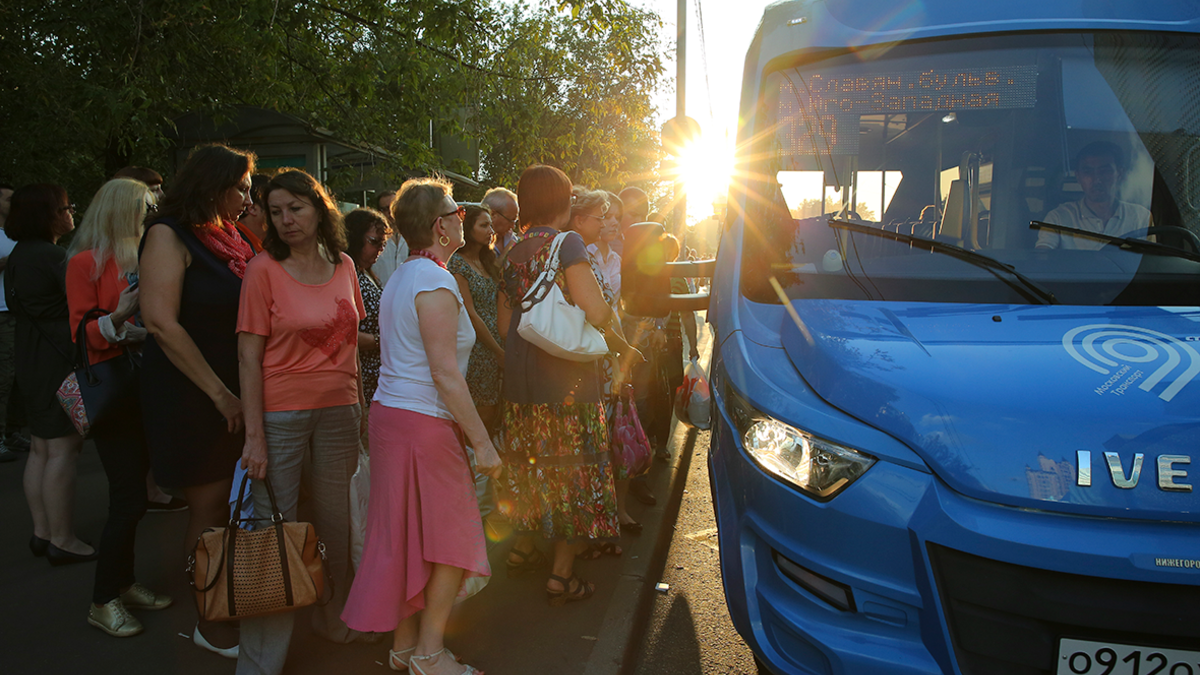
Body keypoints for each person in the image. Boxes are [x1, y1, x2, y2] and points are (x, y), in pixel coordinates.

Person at [342, 177, 501, 675]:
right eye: (456, 211)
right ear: (441, 225)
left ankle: (406, 648)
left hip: (395, 418)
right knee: (453, 541)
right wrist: (484, 445)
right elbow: (445, 375)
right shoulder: (435, 281)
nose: (463, 217)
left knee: (406, 536)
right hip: (420, 421)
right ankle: (430, 655)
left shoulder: (405, 277)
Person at [237, 169, 366, 675]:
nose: (286, 219)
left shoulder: (344, 264)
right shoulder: (263, 270)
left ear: (319, 208)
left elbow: (351, 342)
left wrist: (361, 411)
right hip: (281, 413)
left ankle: (332, 618)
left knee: (335, 522)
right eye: (275, 211)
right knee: (274, 530)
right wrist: (255, 436)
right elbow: (248, 357)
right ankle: (262, 660)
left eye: (296, 208)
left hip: (340, 410)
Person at [495, 165, 639, 605]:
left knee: (531, 466)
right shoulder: (568, 243)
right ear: (564, 202)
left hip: (521, 383)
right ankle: (561, 576)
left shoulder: (513, 250)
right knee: (572, 472)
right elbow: (595, 312)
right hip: (568, 383)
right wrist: (618, 341)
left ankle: (522, 548)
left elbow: (504, 326)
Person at [139, 143, 256, 657]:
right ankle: (209, 621)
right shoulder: (168, 235)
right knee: (208, 507)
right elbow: (161, 323)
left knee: (233, 506)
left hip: (235, 390)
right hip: (194, 393)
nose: (249, 198)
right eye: (243, 188)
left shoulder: (230, 237)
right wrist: (221, 394)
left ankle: (228, 600)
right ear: (213, 186)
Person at [66, 178, 172, 637]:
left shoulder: (144, 254)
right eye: (144, 206)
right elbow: (80, 333)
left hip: (144, 387)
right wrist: (120, 318)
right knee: (128, 500)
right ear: (119, 209)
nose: (149, 213)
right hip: (113, 393)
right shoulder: (84, 263)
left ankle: (123, 584)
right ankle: (103, 599)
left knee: (135, 499)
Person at [4, 184, 94, 563]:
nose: (70, 211)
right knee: (62, 450)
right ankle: (63, 539)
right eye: (65, 206)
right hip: (58, 363)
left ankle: (43, 532)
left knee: (41, 449)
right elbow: (83, 307)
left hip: (31, 358)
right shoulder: (55, 257)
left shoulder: (21, 256)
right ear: (48, 215)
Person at [570, 187, 644, 537]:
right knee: (598, 434)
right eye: (606, 216)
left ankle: (619, 509)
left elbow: (617, 307)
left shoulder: (617, 256)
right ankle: (598, 516)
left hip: (613, 348)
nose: (612, 222)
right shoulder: (577, 254)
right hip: (591, 351)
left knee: (620, 428)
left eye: (615, 216)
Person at [447, 204, 504, 431]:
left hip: (496, 344)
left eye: (491, 224)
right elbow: (470, 314)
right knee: (481, 419)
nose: (491, 230)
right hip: (478, 350)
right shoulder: (457, 263)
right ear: (467, 228)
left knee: (496, 415)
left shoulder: (488, 260)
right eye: (484, 225)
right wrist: (498, 352)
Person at [1036, 141, 1151, 250]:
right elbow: (1043, 256)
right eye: (1088, 172)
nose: (1096, 180)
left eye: (1104, 171)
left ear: (1119, 174)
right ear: (1078, 176)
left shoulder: (1140, 218)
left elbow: (1152, 262)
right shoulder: (1058, 218)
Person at [345, 207, 391, 408]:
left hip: (377, 375)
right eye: (373, 242)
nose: (378, 251)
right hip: (360, 375)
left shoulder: (366, 273)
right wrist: (384, 340)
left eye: (382, 245)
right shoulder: (345, 274)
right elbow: (345, 334)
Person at [0, 182, 19, 464]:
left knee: (15, 376)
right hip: (1, 313)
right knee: (3, 378)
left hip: (17, 313)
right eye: (9, 198)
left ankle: (11, 431)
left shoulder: (14, 233)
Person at [372, 189, 409, 287]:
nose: (389, 212)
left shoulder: (412, 236)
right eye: (384, 209)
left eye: (392, 206)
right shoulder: (374, 240)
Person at [235, 174, 271, 253]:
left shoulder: (259, 246)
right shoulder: (234, 243)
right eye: (275, 209)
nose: (285, 218)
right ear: (253, 208)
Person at [482, 187, 520, 253]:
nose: (513, 226)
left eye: (515, 221)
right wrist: (507, 251)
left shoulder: (509, 236)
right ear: (492, 214)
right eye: (510, 220)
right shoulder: (476, 242)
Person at [614, 186, 649, 256]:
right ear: (619, 213)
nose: (639, 220)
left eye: (643, 216)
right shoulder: (604, 243)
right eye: (633, 214)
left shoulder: (649, 245)